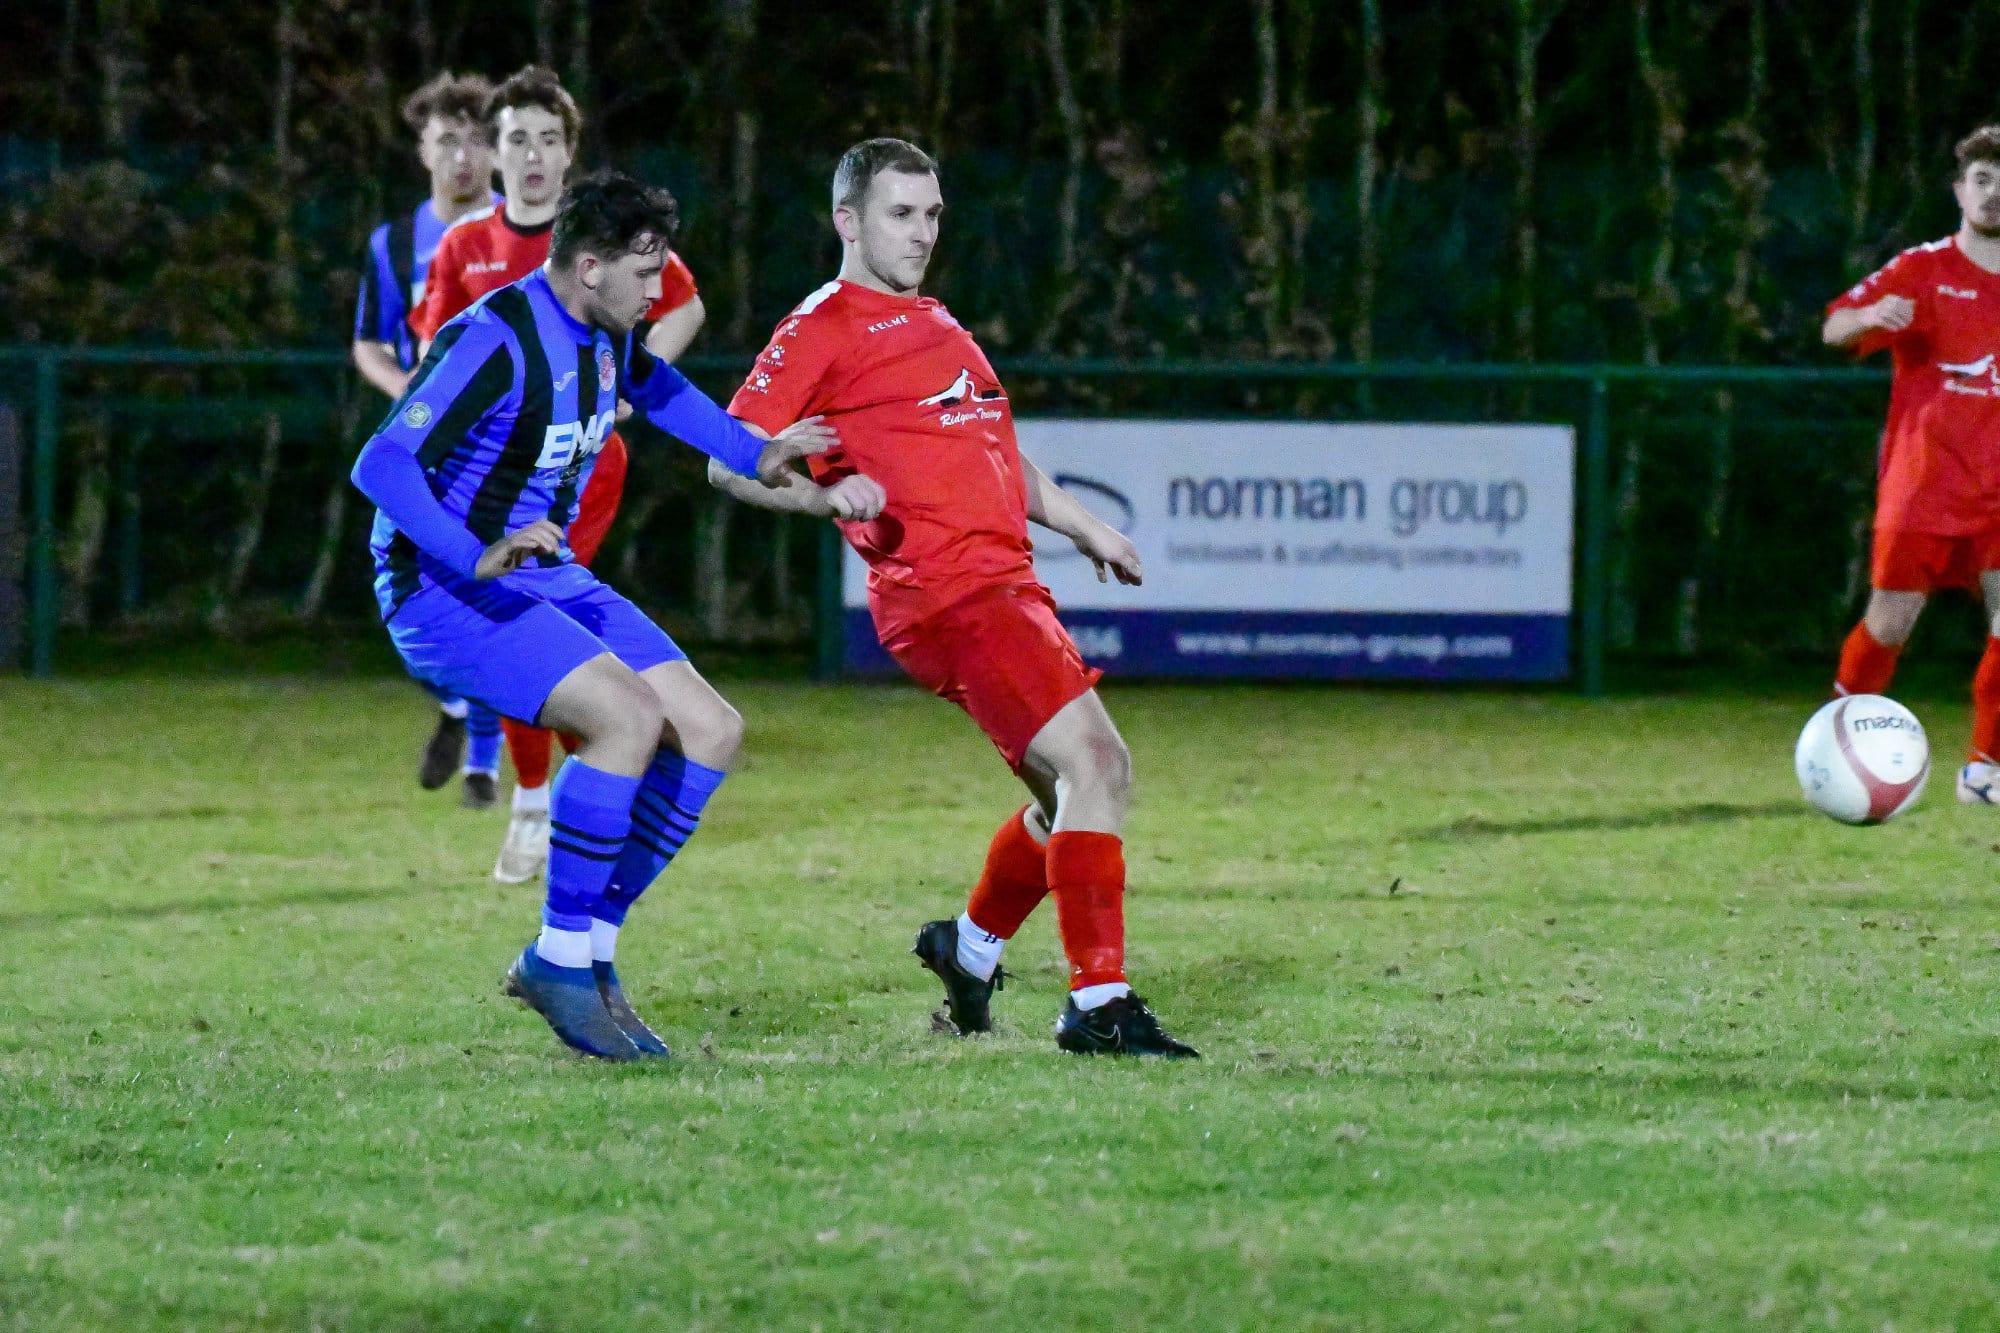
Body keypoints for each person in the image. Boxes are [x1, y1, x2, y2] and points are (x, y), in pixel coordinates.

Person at [351, 171, 864, 1060]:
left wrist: (761, 452)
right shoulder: (496, 337)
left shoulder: (604, 335)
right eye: (645, 269)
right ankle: (558, 959)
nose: (659, 289)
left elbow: (660, 391)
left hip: (542, 575)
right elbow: (383, 463)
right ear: (588, 268)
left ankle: (587, 953)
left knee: (709, 730)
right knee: (625, 718)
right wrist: (474, 549)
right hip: (441, 588)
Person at [717, 138, 1198, 1058]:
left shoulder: (937, 323)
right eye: (902, 213)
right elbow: (729, 456)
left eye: (933, 213)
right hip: (950, 592)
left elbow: (991, 451)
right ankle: (1098, 1005)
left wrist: (1085, 525)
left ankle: (968, 950)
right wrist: (819, 493)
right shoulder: (821, 324)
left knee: (1069, 802)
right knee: (1101, 763)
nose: (923, 231)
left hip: (1004, 582)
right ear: (847, 220)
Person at [413, 64, 709, 882]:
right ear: (493, 152)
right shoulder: (465, 247)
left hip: (581, 470)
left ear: (570, 151)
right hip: (487, 484)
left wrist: (626, 393)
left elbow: (683, 305)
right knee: (522, 622)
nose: (534, 155)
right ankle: (545, 796)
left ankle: (552, 799)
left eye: (549, 139)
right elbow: (432, 367)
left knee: (536, 618)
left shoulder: (600, 238)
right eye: (517, 139)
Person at [1826, 124, 2000, 802]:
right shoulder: (1923, 270)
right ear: (1960, 190)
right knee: (1887, 623)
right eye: (1982, 181)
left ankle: (1984, 769)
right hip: (1925, 488)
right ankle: (1834, 740)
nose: (1993, 195)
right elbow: (1835, 325)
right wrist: (1873, 312)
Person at [351, 70, 505, 806]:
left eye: (478, 142)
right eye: (448, 142)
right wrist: (408, 392)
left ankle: (487, 768)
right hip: (422, 448)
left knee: (496, 585)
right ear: (422, 151)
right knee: (405, 598)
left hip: (506, 443)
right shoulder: (397, 242)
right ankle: (454, 710)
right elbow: (369, 344)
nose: (464, 158)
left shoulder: (524, 231)